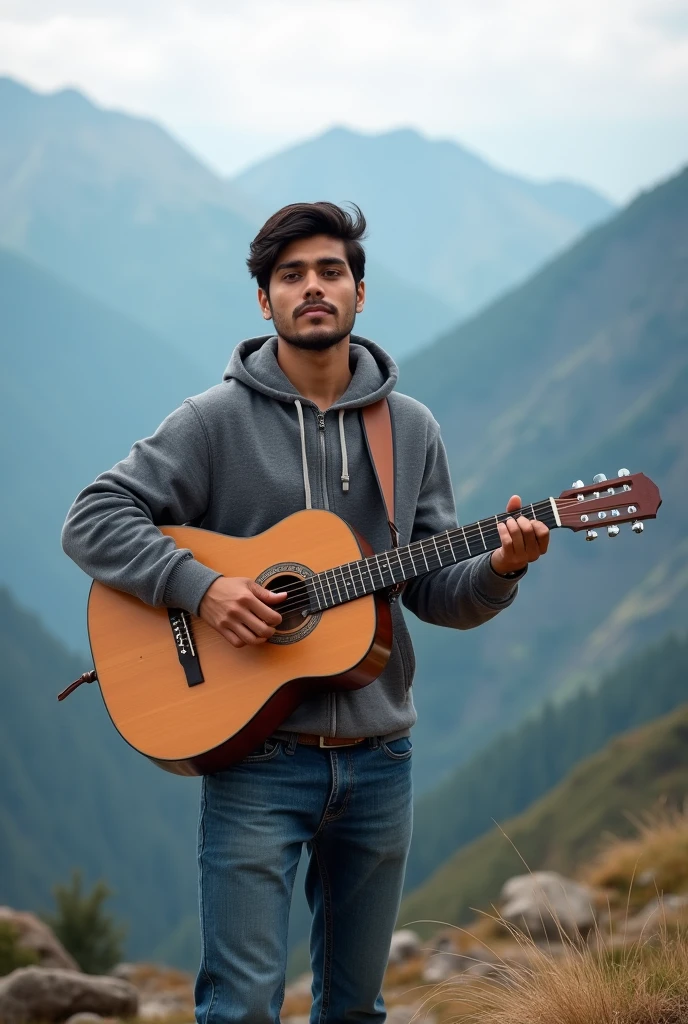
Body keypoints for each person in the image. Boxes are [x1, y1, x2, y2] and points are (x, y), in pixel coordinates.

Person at [62, 202, 550, 1023]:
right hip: (256, 757)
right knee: (241, 1008)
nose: (312, 288)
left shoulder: (410, 429)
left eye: (330, 272)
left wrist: (500, 568)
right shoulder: (212, 422)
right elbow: (93, 518)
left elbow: (431, 591)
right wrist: (204, 589)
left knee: (356, 1011)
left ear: (362, 292)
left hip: (378, 758)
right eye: (291, 276)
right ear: (265, 301)